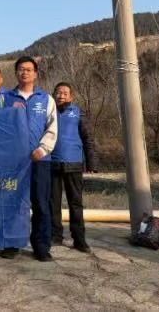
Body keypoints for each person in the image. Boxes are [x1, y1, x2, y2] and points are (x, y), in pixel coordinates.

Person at [8, 56, 58, 262]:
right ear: (16, 73)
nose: (25, 72)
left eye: (29, 69)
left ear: (36, 74)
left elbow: (52, 127)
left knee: (41, 204)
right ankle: (11, 244)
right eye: (21, 69)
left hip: (39, 161)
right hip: (12, 162)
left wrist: (43, 149)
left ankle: (41, 246)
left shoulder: (46, 99)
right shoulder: (6, 98)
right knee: (12, 202)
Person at [50, 82, 97, 253]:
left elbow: (88, 138)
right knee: (52, 203)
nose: (61, 96)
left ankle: (79, 239)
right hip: (52, 163)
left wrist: (91, 163)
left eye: (65, 93)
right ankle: (55, 235)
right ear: (54, 95)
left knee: (75, 204)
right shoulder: (49, 113)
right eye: (58, 92)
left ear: (71, 96)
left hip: (74, 164)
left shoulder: (78, 113)